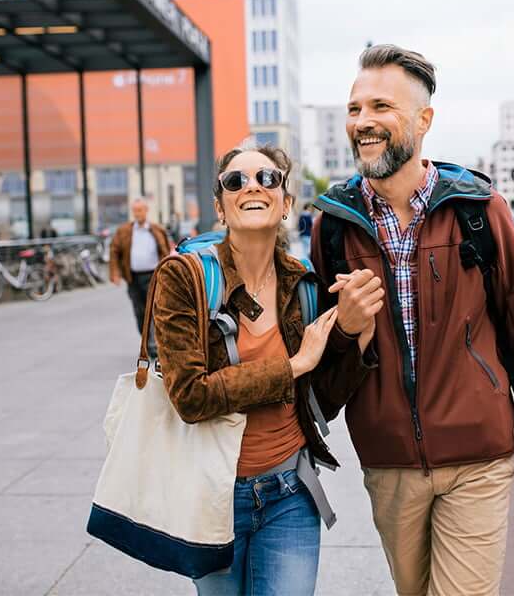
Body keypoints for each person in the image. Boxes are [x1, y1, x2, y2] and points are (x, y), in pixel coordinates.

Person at [311, 45, 514, 596]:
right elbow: (322, 379)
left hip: (478, 456)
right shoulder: (334, 226)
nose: (363, 122)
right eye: (354, 109)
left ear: (424, 120)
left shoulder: (478, 209)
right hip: (389, 464)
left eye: (381, 106)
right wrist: (349, 332)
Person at [151, 145, 383, 595]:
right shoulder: (184, 277)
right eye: (235, 181)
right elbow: (190, 397)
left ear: (285, 203)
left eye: (267, 178)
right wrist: (293, 364)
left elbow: (321, 404)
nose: (252, 186)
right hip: (214, 495)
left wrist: (358, 337)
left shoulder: (305, 281)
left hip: (290, 493)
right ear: (220, 207)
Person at [109, 198, 173, 355]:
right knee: (140, 312)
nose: (137, 214)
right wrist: (115, 273)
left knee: (155, 311)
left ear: (146, 211)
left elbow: (167, 251)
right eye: (135, 210)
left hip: (154, 276)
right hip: (134, 278)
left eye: (140, 210)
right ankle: (147, 341)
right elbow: (114, 251)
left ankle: (154, 344)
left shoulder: (157, 230)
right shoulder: (124, 231)